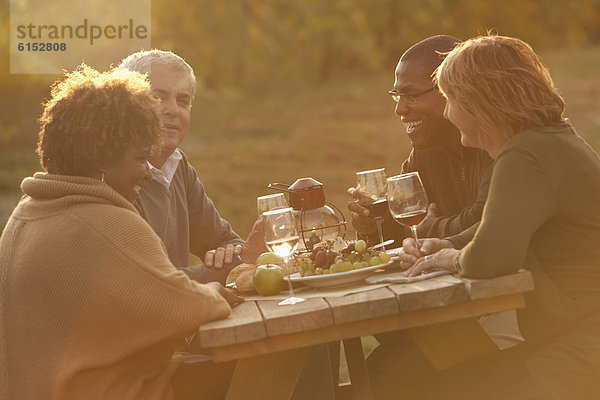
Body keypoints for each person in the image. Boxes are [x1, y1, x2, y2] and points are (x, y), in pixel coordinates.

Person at [372, 35, 600, 400]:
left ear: (481, 101)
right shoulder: (548, 140)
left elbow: (491, 258)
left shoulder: (525, 154)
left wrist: (452, 257)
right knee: (422, 377)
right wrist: (447, 243)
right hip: (568, 337)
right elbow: (503, 226)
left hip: (581, 349)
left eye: (451, 100)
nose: (447, 113)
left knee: (437, 387)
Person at [0, 65, 242, 400]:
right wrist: (218, 287)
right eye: (141, 159)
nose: (146, 173)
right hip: (98, 391)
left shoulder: (25, 215)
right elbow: (188, 307)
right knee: (275, 361)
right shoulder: (110, 224)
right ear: (102, 158)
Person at [118, 50, 265, 285]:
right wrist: (240, 262)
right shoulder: (116, 176)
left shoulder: (177, 165)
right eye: (158, 97)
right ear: (127, 104)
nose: (173, 110)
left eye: (183, 101)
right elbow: (150, 283)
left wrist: (231, 255)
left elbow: (225, 241)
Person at [348, 35, 493, 247]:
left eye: (412, 95)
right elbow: (403, 227)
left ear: (452, 89)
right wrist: (373, 225)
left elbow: (487, 222)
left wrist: (429, 228)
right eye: (398, 96)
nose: (400, 109)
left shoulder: (495, 141)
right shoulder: (425, 153)